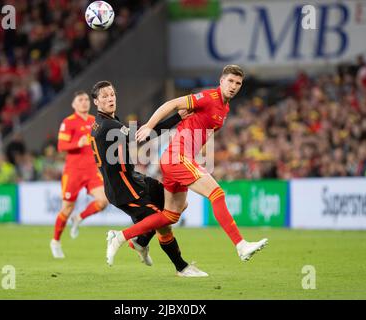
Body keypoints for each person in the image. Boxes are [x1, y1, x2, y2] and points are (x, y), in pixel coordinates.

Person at [106, 65, 268, 266]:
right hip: (177, 156)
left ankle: (122, 237)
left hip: (180, 158)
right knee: (217, 194)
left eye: (238, 83)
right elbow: (172, 103)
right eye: (230, 81)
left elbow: (200, 130)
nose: (233, 86)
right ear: (221, 81)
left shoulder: (224, 109)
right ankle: (241, 245)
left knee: (172, 214)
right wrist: (149, 126)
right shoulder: (209, 97)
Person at [90, 80, 207, 277]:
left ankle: (141, 242)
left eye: (112, 94)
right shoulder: (109, 125)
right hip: (125, 190)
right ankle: (182, 267)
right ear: (96, 102)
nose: (110, 98)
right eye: (104, 96)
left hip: (134, 179)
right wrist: (176, 118)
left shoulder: (104, 122)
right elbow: (144, 135)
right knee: (162, 220)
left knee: (177, 206)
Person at [50, 91, 109, 258]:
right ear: (74, 105)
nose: (84, 102)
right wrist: (78, 143)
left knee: (104, 200)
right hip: (73, 172)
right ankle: (55, 241)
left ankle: (79, 218)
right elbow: (61, 146)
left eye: (85, 99)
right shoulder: (68, 122)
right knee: (66, 208)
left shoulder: (95, 121)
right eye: (80, 100)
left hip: (91, 171)